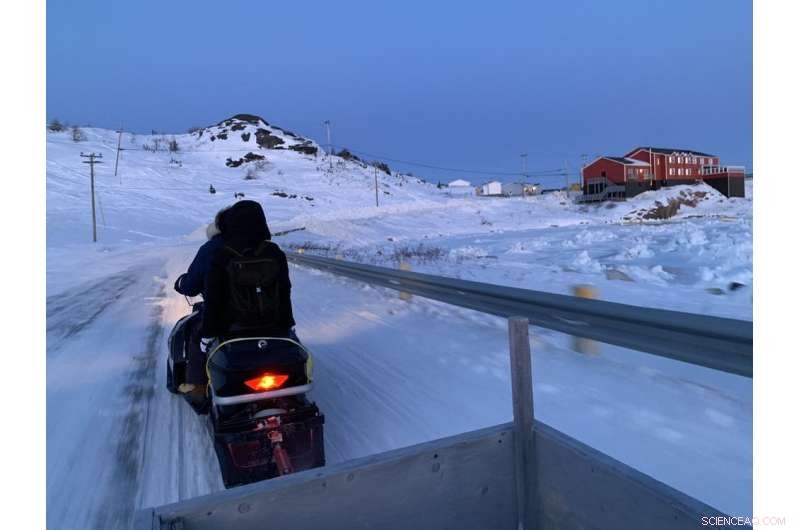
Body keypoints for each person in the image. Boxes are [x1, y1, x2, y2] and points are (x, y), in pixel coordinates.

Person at [174, 200, 296, 401]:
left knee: (195, 336)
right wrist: (287, 325)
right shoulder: (274, 252)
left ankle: (197, 387)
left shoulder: (218, 253)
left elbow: (212, 298)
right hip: (274, 324)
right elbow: (285, 290)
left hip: (230, 326)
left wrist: (208, 333)